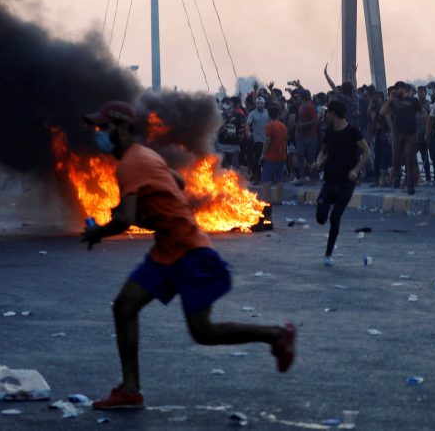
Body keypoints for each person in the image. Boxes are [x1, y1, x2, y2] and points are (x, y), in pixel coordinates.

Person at [80, 101, 296, 409]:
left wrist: (97, 233)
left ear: (122, 129)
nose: (99, 133)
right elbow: (178, 182)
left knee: (204, 332)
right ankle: (130, 389)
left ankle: (277, 335)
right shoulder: (146, 156)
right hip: (167, 250)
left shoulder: (130, 164)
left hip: (188, 251)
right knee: (124, 307)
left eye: (104, 127)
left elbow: (125, 220)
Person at [312, 100, 371, 266]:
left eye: (328, 113)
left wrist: (355, 170)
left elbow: (367, 152)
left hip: (346, 183)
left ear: (334, 113)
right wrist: (318, 162)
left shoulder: (353, 132)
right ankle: (322, 205)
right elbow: (324, 152)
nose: (326, 116)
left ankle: (328, 254)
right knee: (321, 217)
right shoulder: (329, 132)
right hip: (330, 180)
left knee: (335, 218)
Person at [380, 82, 424, 195]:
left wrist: (417, 121)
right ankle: (397, 177)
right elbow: (382, 112)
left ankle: (410, 185)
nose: (396, 90)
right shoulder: (393, 101)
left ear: (403, 89)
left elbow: (423, 113)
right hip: (397, 134)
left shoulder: (414, 101)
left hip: (411, 134)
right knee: (396, 160)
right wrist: (390, 98)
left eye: (397, 89)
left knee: (409, 159)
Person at [260, 105, 288, 205]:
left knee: (266, 177)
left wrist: (263, 154)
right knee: (279, 178)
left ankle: (268, 200)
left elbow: (267, 141)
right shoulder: (283, 126)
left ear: (268, 114)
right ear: (278, 114)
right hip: (282, 155)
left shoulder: (270, 126)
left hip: (271, 156)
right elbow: (285, 141)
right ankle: (279, 200)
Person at [294, 89, 319, 185]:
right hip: (301, 136)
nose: (298, 98)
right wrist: (297, 130)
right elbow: (299, 120)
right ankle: (302, 177)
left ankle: (313, 177)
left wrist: (304, 125)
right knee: (300, 155)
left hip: (310, 137)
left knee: (311, 158)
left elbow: (315, 121)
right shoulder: (301, 107)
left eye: (299, 96)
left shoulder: (310, 107)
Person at [246, 96, 270, 182]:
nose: (260, 105)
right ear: (256, 104)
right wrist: (248, 133)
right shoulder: (252, 113)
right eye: (258, 103)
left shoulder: (267, 113)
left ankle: (266, 177)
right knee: (256, 159)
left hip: (267, 139)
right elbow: (248, 124)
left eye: (261, 104)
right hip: (257, 139)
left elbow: (271, 122)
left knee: (266, 159)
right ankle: (257, 175)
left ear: (264, 104)